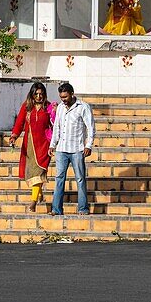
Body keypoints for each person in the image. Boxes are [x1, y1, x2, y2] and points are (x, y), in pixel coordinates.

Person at [9, 82, 57, 212]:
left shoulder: (49, 107)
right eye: (36, 94)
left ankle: (33, 202)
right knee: (32, 173)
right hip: (30, 145)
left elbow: (54, 124)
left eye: (41, 94)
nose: (39, 96)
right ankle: (39, 194)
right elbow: (19, 124)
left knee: (39, 171)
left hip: (44, 145)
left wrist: (55, 112)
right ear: (32, 94)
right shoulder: (26, 107)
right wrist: (14, 136)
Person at [49, 81, 95, 216]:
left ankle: (83, 208)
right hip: (61, 149)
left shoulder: (83, 107)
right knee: (59, 178)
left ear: (72, 94)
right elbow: (56, 127)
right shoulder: (61, 108)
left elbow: (90, 127)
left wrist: (88, 145)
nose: (63, 100)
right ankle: (56, 209)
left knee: (80, 178)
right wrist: (53, 144)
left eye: (65, 97)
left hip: (77, 148)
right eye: (61, 97)